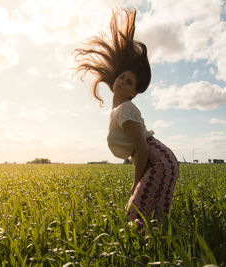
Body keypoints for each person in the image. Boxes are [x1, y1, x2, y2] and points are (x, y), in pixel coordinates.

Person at [74, 8, 179, 227]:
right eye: (122, 77)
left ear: (134, 93)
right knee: (155, 216)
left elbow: (141, 148)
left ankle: (141, 253)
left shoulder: (125, 109)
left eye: (129, 82)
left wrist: (136, 182)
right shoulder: (120, 109)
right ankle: (158, 249)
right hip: (164, 161)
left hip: (159, 162)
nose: (122, 81)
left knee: (135, 212)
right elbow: (138, 151)